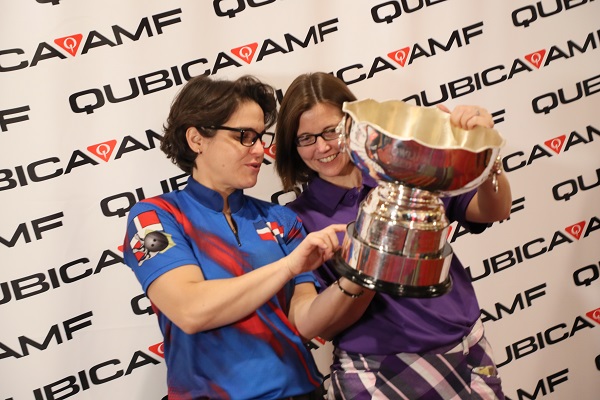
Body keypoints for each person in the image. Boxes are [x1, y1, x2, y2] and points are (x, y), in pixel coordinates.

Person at [122, 74, 374, 400]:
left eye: (260, 137)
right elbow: (191, 310)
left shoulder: (281, 219)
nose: (260, 150)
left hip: (302, 391)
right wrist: (288, 266)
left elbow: (303, 322)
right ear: (196, 139)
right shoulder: (155, 216)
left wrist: (361, 271)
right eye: (244, 136)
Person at [275, 72, 512, 400]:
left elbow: (493, 210)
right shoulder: (296, 220)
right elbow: (314, 324)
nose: (323, 146)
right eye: (306, 138)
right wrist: (367, 260)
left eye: (331, 130)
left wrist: (484, 153)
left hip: (466, 348)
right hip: (379, 370)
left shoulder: (407, 169)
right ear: (292, 146)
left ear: (353, 124)